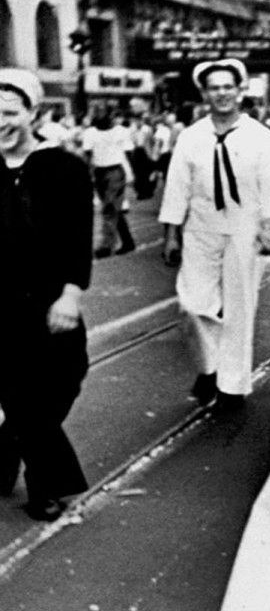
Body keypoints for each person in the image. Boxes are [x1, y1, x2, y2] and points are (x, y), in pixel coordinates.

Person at [158, 59, 270, 411]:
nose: (222, 94)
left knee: (240, 307)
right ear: (205, 93)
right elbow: (176, 188)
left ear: (240, 90)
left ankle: (232, 388)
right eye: (214, 88)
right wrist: (171, 234)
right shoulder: (191, 137)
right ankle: (209, 367)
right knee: (192, 304)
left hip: (245, 229)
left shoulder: (260, 137)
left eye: (228, 87)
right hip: (200, 227)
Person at [0, 69, 92, 521]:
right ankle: (47, 487)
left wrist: (71, 294)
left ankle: (6, 447)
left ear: (32, 114)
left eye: (9, 112)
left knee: (63, 380)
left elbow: (78, 237)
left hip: (50, 300)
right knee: (20, 396)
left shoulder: (64, 168)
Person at [81, 107, 136, 257]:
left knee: (109, 208)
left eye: (102, 114)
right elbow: (87, 154)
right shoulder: (90, 133)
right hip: (99, 172)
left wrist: (128, 172)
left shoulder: (121, 131)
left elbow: (129, 152)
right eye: (96, 114)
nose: (99, 117)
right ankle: (128, 241)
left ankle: (106, 246)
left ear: (110, 116)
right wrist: (86, 174)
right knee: (112, 208)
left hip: (115, 172)